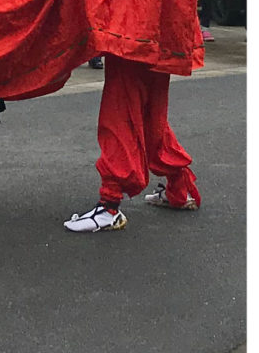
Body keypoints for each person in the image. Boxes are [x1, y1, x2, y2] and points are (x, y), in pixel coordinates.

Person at [62, 50, 199, 233]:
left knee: (122, 108)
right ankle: (179, 187)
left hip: (134, 32)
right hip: (160, 32)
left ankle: (109, 206)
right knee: (152, 111)